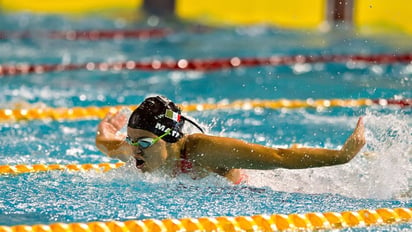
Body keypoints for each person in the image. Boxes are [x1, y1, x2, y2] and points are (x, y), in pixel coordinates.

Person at [96, 95, 366, 184]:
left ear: (170, 139)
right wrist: (106, 127)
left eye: (143, 143)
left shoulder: (203, 151)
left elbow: (277, 157)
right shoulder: (136, 152)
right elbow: (106, 143)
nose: (133, 151)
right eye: (131, 141)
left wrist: (341, 157)